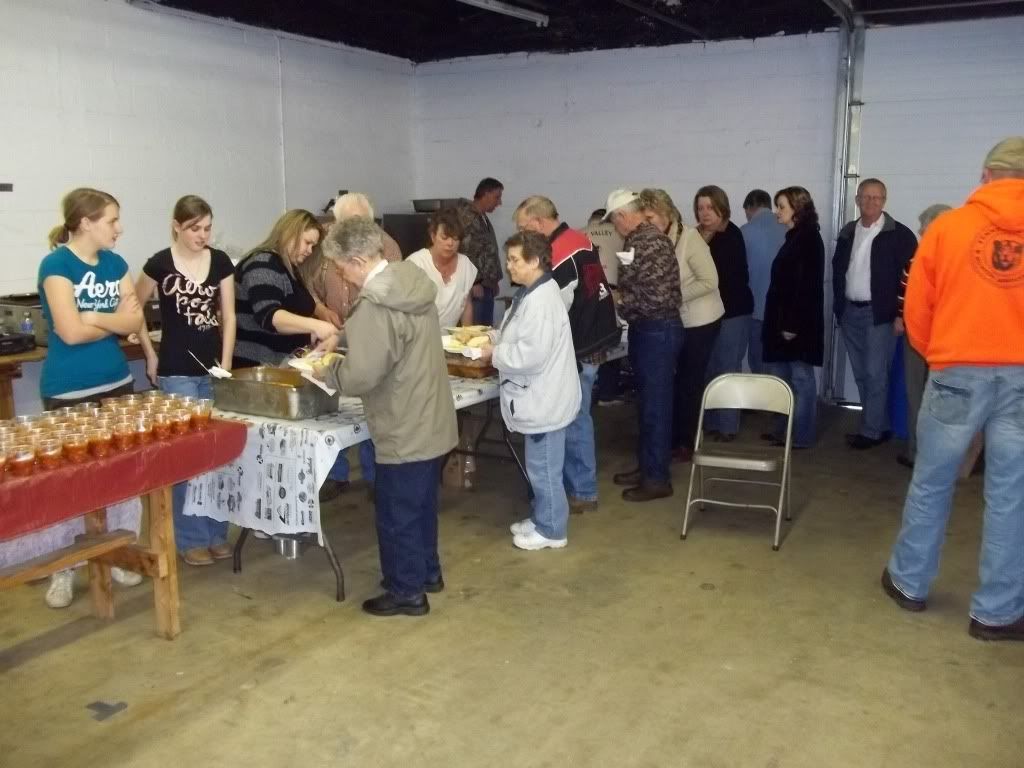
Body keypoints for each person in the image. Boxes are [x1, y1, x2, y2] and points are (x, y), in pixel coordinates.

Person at [882, 136, 1024, 642]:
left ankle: (908, 582)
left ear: (986, 175)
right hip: (1021, 377)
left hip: (956, 371)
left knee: (933, 479)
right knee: (1011, 494)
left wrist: (939, 354)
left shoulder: (948, 228)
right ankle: (997, 613)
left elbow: (917, 307)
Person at [315, 217, 457, 617]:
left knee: (396, 514)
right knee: (421, 506)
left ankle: (406, 591)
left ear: (358, 261)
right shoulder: (408, 281)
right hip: (430, 416)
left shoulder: (374, 305)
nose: (341, 275)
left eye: (341, 267)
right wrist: (344, 336)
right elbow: (394, 335)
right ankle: (426, 573)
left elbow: (361, 376)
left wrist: (328, 369)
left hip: (402, 423)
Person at [37, 187, 145, 608]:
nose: (119, 228)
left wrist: (95, 315)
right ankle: (63, 568)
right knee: (71, 483)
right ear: (85, 222)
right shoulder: (57, 265)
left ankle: (118, 552)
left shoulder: (116, 263)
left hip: (116, 383)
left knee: (121, 477)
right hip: (69, 390)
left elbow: (135, 321)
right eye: (112, 220)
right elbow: (68, 332)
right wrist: (114, 322)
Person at [136, 195, 236, 566]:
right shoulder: (159, 264)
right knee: (187, 456)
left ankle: (216, 532)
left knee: (217, 455)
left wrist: (226, 363)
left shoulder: (220, 261)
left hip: (212, 370)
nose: (202, 235)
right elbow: (132, 309)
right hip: (176, 369)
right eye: (195, 228)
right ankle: (191, 537)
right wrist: (150, 353)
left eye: (207, 228)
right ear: (177, 226)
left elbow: (229, 316)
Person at [512, 196, 620, 515]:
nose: (522, 236)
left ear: (538, 222)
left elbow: (549, 312)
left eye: (523, 228)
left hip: (578, 346)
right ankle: (580, 488)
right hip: (593, 339)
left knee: (571, 419)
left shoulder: (559, 256)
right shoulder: (577, 238)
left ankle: (581, 491)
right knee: (577, 416)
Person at [479, 231, 581, 549]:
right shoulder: (530, 293)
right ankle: (542, 517)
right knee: (540, 466)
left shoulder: (542, 301)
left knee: (544, 469)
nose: (508, 266)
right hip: (539, 396)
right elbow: (517, 334)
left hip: (544, 399)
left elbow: (531, 355)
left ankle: (552, 531)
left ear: (534, 261)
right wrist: (493, 338)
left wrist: (493, 354)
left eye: (514, 260)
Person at [300, 193, 397, 499]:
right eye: (346, 223)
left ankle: (374, 476)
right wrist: (319, 310)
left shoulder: (388, 247)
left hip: (369, 339)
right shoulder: (324, 247)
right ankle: (335, 474)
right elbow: (306, 285)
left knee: (370, 404)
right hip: (334, 337)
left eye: (359, 223)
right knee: (331, 410)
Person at [605, 189, 683, 501]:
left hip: (657, 330)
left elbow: (657, 298)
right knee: (648, 406)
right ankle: (648, 467)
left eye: (614, 222)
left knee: (656, 408)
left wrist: (619, 299)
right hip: (650, 330)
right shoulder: (641, 239)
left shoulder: (649, 242)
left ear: (623, 216)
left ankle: (657, 479)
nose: (615, 228)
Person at [638, 188, 723, 463]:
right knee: (675, 381)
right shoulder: (656, 239)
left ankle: (686, 441)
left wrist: (673, 296)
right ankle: (672, 437)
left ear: (665, 214)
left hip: (701, 320)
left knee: (689, 382)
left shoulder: (690, 238)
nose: (646, 224)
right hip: (677, 318)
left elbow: (710, 282)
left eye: (650, 218)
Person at [832, 178, 918, 450]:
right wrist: (839, 308)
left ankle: (871, 431)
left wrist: (901, 315)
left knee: (875, 374)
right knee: (861, 373)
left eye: (876, 197)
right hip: (850, 313)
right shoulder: (848, 232)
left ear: (884, 201)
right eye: (866, 197)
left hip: (880, 315)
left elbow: (912, 279)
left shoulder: (900, 235)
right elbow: (838, 270)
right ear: (857, 199)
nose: (870, 202)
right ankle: (878, 425)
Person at [761, 187, 826, 449]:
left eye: (781, 206)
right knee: (782, 379)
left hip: (795, 325)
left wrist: (792, 324)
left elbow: (806, 286)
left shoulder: (808, 239)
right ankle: (782, 430)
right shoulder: (795, 236)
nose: (777, 211)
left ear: (797, 209)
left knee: (800, 380)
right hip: (783, 322)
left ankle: (800, 436)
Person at [232, 210, 339, 369]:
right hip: (258, 367)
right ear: (289, 234)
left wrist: (313, 335)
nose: (310, 251)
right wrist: (316, 326)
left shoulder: (289, 269)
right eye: (307, 242)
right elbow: (269, 316)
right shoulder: (263, 263)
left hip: (278, 365)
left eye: (313, 246)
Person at [895, 203, 952, 469]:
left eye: (924, 227)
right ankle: (932, 453)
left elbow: (907, 296)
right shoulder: (959, 260)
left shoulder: (922, 260)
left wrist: (902, 317)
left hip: (923, 337)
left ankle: (917, 453)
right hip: (943, 337)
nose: (920, 231)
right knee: (937, 396)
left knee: (917, 394)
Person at [696, 185, 754, 441]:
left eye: (710, 207)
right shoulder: (695, 235)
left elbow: (725, 278)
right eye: (700, 208)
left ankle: (728, 426)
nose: (705, 213)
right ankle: (710, 421)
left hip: (732, 313)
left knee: (727, 369)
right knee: (708, 369)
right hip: (706, 314)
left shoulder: (731, 235)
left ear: (722, 208)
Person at [741, 189, 787, 374]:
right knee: (780, 366)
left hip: (756, 310)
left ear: (750, 207)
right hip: (784, 312)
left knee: (758, 364)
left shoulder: (744, 232)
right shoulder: (788, 229)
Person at [584, 208, 626, 407]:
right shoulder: (619, 234)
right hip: (612, 292)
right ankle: (607, 393)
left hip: (584, 294)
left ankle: (589, 388)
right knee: (612, 339)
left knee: (589, 342)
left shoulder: (579, 234)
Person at [407, 207, 476, 328]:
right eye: (444, 237)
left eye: (455, 238)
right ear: (433, 237)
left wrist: (467, 335)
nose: (450, 243)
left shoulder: (465, 264)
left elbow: (466, 305)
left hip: (450, 338)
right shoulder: (415, 263)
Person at [456, 178, 504, 325]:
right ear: (486, 194)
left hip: (486, 285)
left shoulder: (481, 217)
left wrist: (493, 281)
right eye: (497, 197)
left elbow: (486, 249)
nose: (499, 202)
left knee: (485, 330)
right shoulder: (468, 217)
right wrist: (474, 281)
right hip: (476, 287)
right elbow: (464, 251)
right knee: (476, 331)